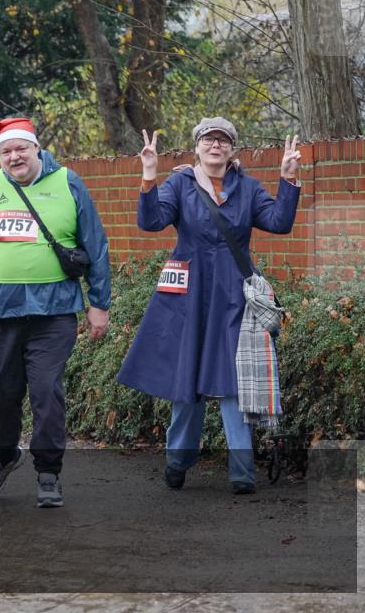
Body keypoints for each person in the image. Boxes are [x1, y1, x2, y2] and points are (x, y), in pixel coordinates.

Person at [117, 118, 301, 495]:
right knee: (187, 382)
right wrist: (149, 175)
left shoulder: (248, 188)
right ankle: (177, 460)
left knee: (234, 383)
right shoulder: (180, 185)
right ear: (197, 146)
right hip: (188, 297)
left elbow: (280, 223)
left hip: (235, 297)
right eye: (208, 139)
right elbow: (151, 221)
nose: (215, 145)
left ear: (232, 149)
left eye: (223, 140)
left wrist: (289, 179)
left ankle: (242, 472)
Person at [0, 117, 111, 508]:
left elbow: (96, 244)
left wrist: (99, 304)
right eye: (6, 151)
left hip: (54, 311)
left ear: (36, 148)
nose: (14, 157)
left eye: (21, 149)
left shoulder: (69, 183)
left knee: (46, 391)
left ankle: (48, 471)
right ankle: (5, 454)